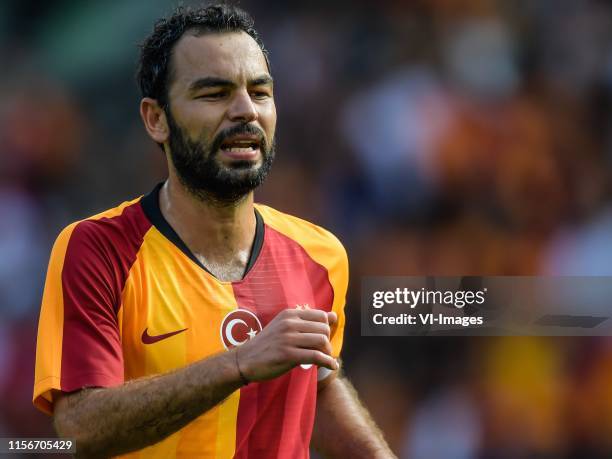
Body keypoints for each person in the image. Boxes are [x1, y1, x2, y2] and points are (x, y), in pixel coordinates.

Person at [32, 4, 395, 458]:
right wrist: (240, 363)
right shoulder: (97, 248)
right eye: (214, 94)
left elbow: (317, 387)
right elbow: (80, 425)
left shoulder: (320, 254)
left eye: (260, 93)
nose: (245, 110)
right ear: (155, 119)